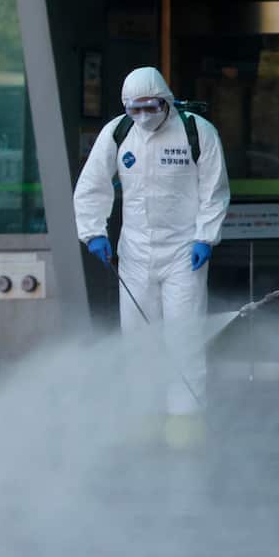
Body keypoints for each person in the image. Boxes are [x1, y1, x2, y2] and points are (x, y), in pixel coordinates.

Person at [74, 67, 230, 450]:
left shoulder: (198, 132)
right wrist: (94, 231)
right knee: (139, 338)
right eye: (135, 110)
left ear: (166, 99)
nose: (143, 116)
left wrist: (205, 237)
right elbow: (92, 185)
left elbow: (215, 190)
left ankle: (185, 418)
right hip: (135, 253)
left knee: (185, 335)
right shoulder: (117, 133)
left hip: (183, 253)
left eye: (150, 107)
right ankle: (144, 413)